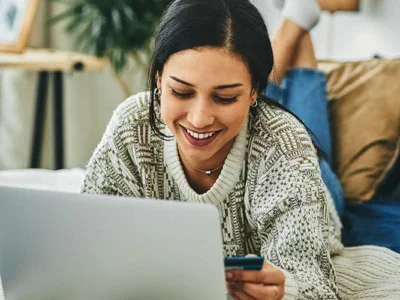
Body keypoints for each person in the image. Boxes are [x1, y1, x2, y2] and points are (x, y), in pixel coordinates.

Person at [82, 0, 400, 299]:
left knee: (305, 136)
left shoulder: (285, 144)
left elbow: (313, 283)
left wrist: (283, 291)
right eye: (180, 92)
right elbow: (87, 239)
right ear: (158, 79)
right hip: (255, 129)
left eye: (225, 97)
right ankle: (297, 24)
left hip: (317, 187)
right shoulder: (131, 124)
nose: (199, 118)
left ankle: (293, 27)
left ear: (254, 93)